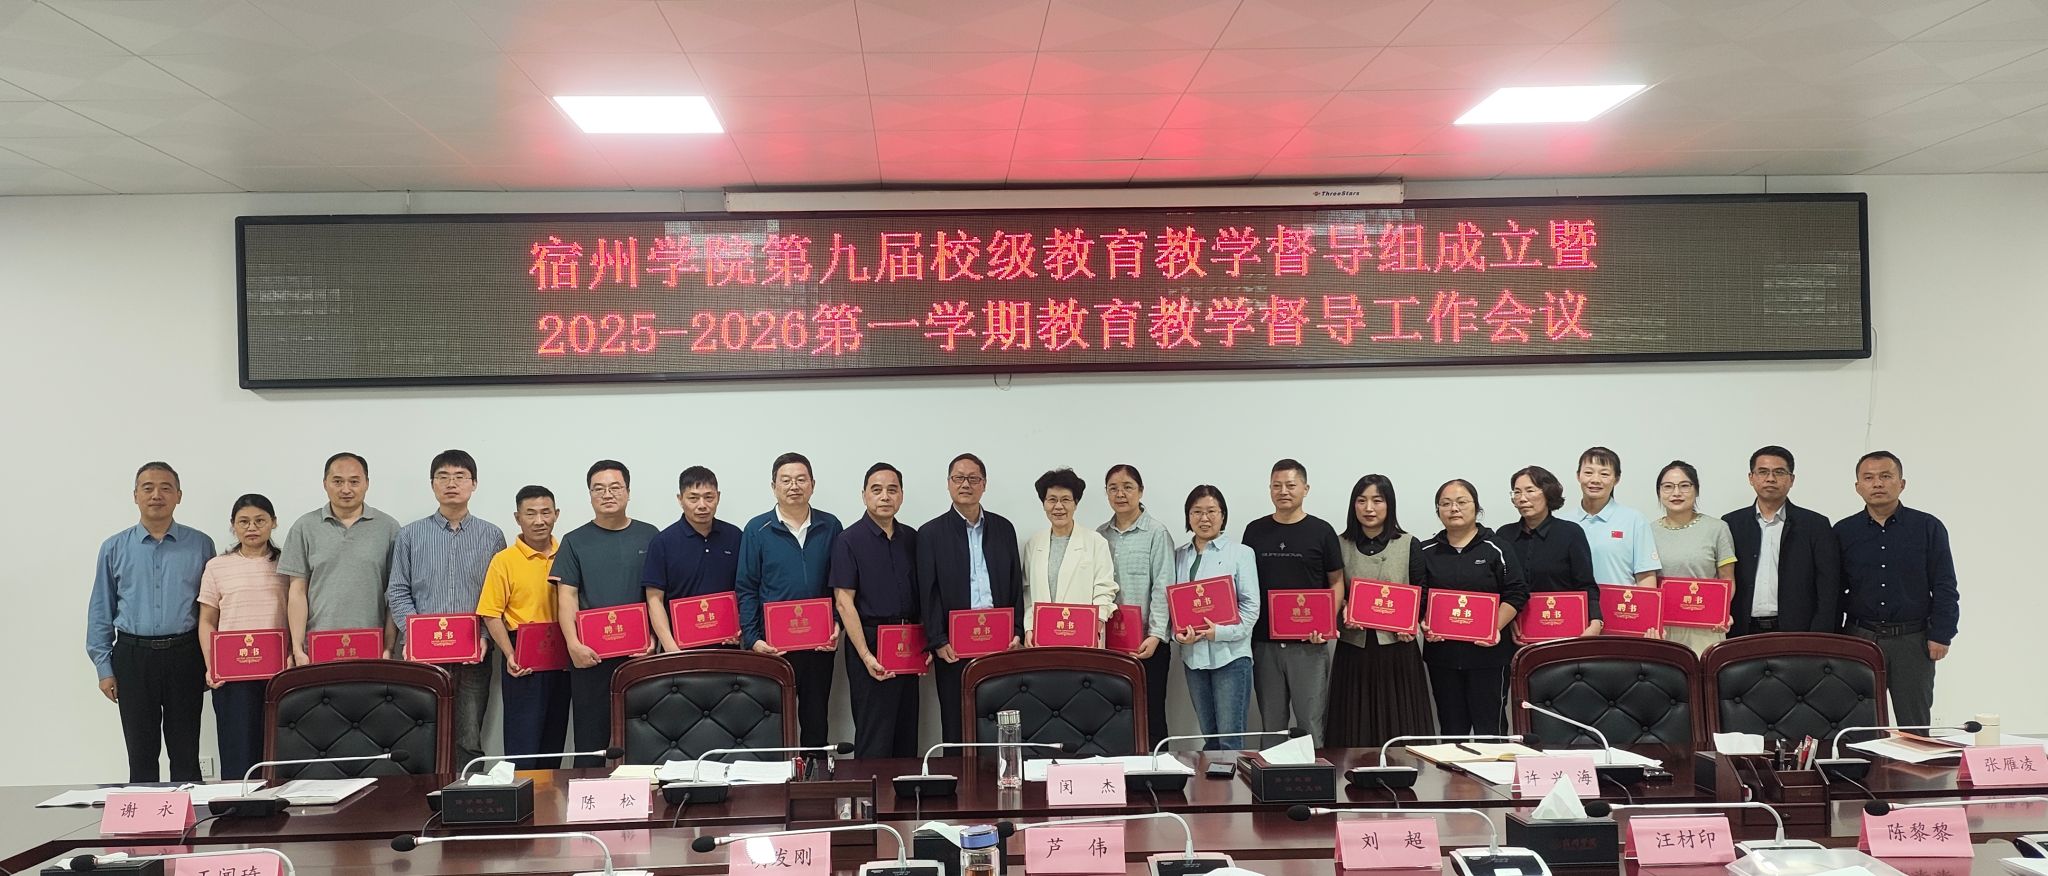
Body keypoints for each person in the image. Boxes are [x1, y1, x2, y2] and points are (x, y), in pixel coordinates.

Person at [87, 462, 215, 782]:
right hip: (133, 656)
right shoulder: (114, 547)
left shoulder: (201, 545)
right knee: (141, 754)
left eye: (165, 488)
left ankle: (188, 813)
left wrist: (213, 661)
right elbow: (101, 609)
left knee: (186, 752)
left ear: (179, 496)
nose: (157, 495)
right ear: (135, 496)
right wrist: (104, 668)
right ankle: (145, 815)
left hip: (185, 654)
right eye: (148, 488)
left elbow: (213, 608)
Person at [386, 449, 506, 765]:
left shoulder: (492, 536)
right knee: (421, 733)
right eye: (443, 477)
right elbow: (397, 591)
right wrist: (415, 637)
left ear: (474, 484)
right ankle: (423, 794)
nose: (451, 483)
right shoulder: (409, 535)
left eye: (460, 477)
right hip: (421, 657)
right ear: (432, 484)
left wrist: (484, 635)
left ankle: (468, 792)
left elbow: (497, 596)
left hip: (474, 653)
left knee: (469, 737)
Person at [1836, 451, 1957, 728]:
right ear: (1858, 487)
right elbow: (1835, 590)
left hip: (1912, 640)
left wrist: (1942, 634)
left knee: (1914, 724)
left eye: (1886, 476)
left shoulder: (1927, 527)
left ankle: (1914, 758)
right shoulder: (1843, 531)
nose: (1877, 483)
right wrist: (1835, 637)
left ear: (1902, 484)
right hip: (1860, 637)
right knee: (1859, 722)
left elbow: (1944, 585)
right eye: (1869, 478)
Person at [553, 460, 658, 765]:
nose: (607, 494)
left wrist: (654, 640)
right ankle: (588, 790)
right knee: (590, 742)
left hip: (640, 655)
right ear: (589, 495)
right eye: (598, 489)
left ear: (628, 491)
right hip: (591, 656)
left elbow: (657, 596)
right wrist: (573, 644)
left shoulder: (650, 535)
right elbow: (567, 596)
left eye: (615, 487)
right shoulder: (574, 541)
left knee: (645, 736)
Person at [736, 452, 845, 749]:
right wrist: (753, 639)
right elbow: (746, 587)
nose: (794, 486)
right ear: (774, 486)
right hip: (774, 647)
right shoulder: (756, 529)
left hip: (820, 644)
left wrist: (837, 624)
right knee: (773, 721)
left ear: (812, 484)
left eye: (800, 479)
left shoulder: (831, 526)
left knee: (816, 719)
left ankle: (815, 772)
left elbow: (841, 584)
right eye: (786, 480)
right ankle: (777, 774)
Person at [917, 453, 1025, 743]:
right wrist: (938, 639)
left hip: (1000, 645)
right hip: (954, 647)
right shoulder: (930, 533)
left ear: (984, 484)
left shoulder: (1004, 529)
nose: (966, 484)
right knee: (956, 724)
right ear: (948, 483)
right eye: (959, 478)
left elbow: (1015, 585)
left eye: (973, 479)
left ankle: (1002, 769)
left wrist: (1017, 631)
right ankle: (959, 773)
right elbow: (928, 593)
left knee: (1001, 723)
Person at [1411, 480, 1527, 736]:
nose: (1454, 508)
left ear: (1476, 508)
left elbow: (1517, 593)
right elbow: (1419, 596)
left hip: (1489, 656)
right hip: (1443, 655)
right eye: (1446, 503)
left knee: (1491, 730)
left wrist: (1493, 627)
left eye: (1462, 502)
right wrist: (1423, 623)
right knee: (1452, 730)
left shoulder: (1497, 548)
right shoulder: (1425, 550)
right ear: (1438, 510)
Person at [1239, 459, 1344, 740]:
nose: (1283, 491)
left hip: (1309, 645)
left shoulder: (1322, 531)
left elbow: (1336, 581)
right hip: (1264, 643)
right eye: (1276, 486)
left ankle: (1313, 769)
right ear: (1269, 489)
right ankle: (1271, 770)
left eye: (1290, 485)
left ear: (1305, 489)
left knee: (1310, 723)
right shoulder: (1254, 531)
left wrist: (1326, 625)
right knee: (1272, 724)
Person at [1328, 474, 1434, 747]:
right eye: (1361, 501)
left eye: (1377, 500)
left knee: (1400, 721)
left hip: (1397, 648)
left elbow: (1422, 590)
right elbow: (1331, 591)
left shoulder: (1409, 543)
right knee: (1354, 722)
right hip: (1355, 648)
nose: (1369, 508)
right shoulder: (1338, 544)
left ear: (1390, 504)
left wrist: (1411, 621)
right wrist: (1343, 610)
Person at [830, 463, 923, 759]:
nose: (885, 496)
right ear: (864, 495)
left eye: (892, 490)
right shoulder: (848, 540)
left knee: (906, 734)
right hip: (869, 642)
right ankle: (872, 790)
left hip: (908, 644)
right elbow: (843, 602)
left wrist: (926, 644)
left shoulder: (912, 538)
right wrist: (865, 655)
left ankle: (904, 790)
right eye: (877, 490)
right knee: (874, 736)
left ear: (902, 495)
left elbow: (924, 594)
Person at [197, 494, 288, 781]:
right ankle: (239, 806)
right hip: (233, 675)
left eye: (260, 520)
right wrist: (212, 665)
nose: (252, 528)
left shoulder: (287, 564)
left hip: (281, 672)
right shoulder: (217, 566)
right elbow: (207, 620)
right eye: (244, 522)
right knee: (238, 752)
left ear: (273, 522)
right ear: (233, 526)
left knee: (281, 753)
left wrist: (294, 654)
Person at [478, 485, 569, 768]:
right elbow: (491, 613)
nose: (539, 520)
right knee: (523, 741)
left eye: (545, 512)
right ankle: (524, 794)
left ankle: (550, 795)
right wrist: (510, 654)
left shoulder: (568, 553)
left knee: (555, 738)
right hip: (523, 655)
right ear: (518, 518)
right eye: (530, 513)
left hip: (563, 654)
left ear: (556, 514)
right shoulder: (504, 561)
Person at [282, 452, 399, 665]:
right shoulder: (304, 527)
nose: (346, 489)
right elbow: (297, 591)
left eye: (354, 481)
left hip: (371, 645)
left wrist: (389, 647)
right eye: (337, 481)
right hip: (317, 647)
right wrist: (297, 648)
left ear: (367, 483)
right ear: (325, 484)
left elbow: (395, 593)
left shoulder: (388, 528)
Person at [1173, 485, 1260, 750]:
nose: (1204, 518)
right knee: (1209, 739)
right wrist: (1179, 636)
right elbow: (1173, 605)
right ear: (1188, 516)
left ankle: (1234, 780)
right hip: (1194, 658)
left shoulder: (1241, 553)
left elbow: (1251, 607)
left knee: (1230, 741)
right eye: (1196, 512)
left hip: (1230, 657)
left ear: (1223, 515)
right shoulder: (1178, 555)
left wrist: (1219, 632)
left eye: (1211, 511)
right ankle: (1211, 781)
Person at [1096, 464, 1175, 746]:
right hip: (1109, 645)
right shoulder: (1099, 535)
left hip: (1147, 644)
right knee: (1112, 715)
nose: (1120, 494)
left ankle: (1157, 769)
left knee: (1151, 715)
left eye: (1127, 487)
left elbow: (1163, 586)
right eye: (1113, 488)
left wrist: (1155, 635)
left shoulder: (1156, 532)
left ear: (1140, 491)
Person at [1723, 446, 1841, 636]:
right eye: (1763, 472)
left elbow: (1828, 585)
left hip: (1797, 631)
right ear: (1751, 478)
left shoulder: (1815, 525)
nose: (1770, 478)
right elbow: (1723, 578)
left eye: (1779, 472)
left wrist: (1819, 633)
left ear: (1791, 479)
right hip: (1741, 629)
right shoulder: (1731, 523)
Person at [644, 466, 743, 652]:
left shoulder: (735, 536)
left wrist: (740, 628)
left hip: (728, 647)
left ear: (718, 497)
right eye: (693, 498)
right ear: (680, 499)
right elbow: (654, 599)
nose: (702, 505)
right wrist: (671, 647)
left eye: (709, 497)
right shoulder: (662, 542)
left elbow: (746, 590)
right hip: (680, 650)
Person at [1501, 466, 1601, 642]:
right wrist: (1506, 621)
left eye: (1530, 490)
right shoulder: (1504, 535)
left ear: (1548, 493)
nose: (1522, 498)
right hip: (1516, 634)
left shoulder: (1570, 533)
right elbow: (1501, 588)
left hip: (1563, 631)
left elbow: (1585, 584)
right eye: (1517, 492)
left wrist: (1596, 621)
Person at [1021, 468, 1119, 643]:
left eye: (1065, 499)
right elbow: (1028, 593)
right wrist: (1029, 627)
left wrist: (1097, 623)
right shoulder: (1034, 544)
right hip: (1043, 636)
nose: (1058, 506)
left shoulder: (1096, 542)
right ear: (1044, 504)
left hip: (1084, 636)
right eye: (1052, 500)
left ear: (1076, 503)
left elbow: (1105, 589)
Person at [1650, 461, 1737, 655]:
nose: (1676, 493)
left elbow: (1727, 579)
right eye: (1668, 487)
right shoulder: (1648, 531)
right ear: (1659, 492)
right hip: (1663, 629)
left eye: (1684, 485)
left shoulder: (1717, 528)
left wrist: (1721, 611)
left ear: (1696, 490)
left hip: (1705, 627)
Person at [1567, 446, 1661, 588]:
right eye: (1588, 472)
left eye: (1604, 474)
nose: (1595, 479)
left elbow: (1646, 577)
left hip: (1621, 602)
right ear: (1578, 475)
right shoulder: (1563, 522)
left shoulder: (1634, 520)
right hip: (1577, 602)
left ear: (1616, 479)